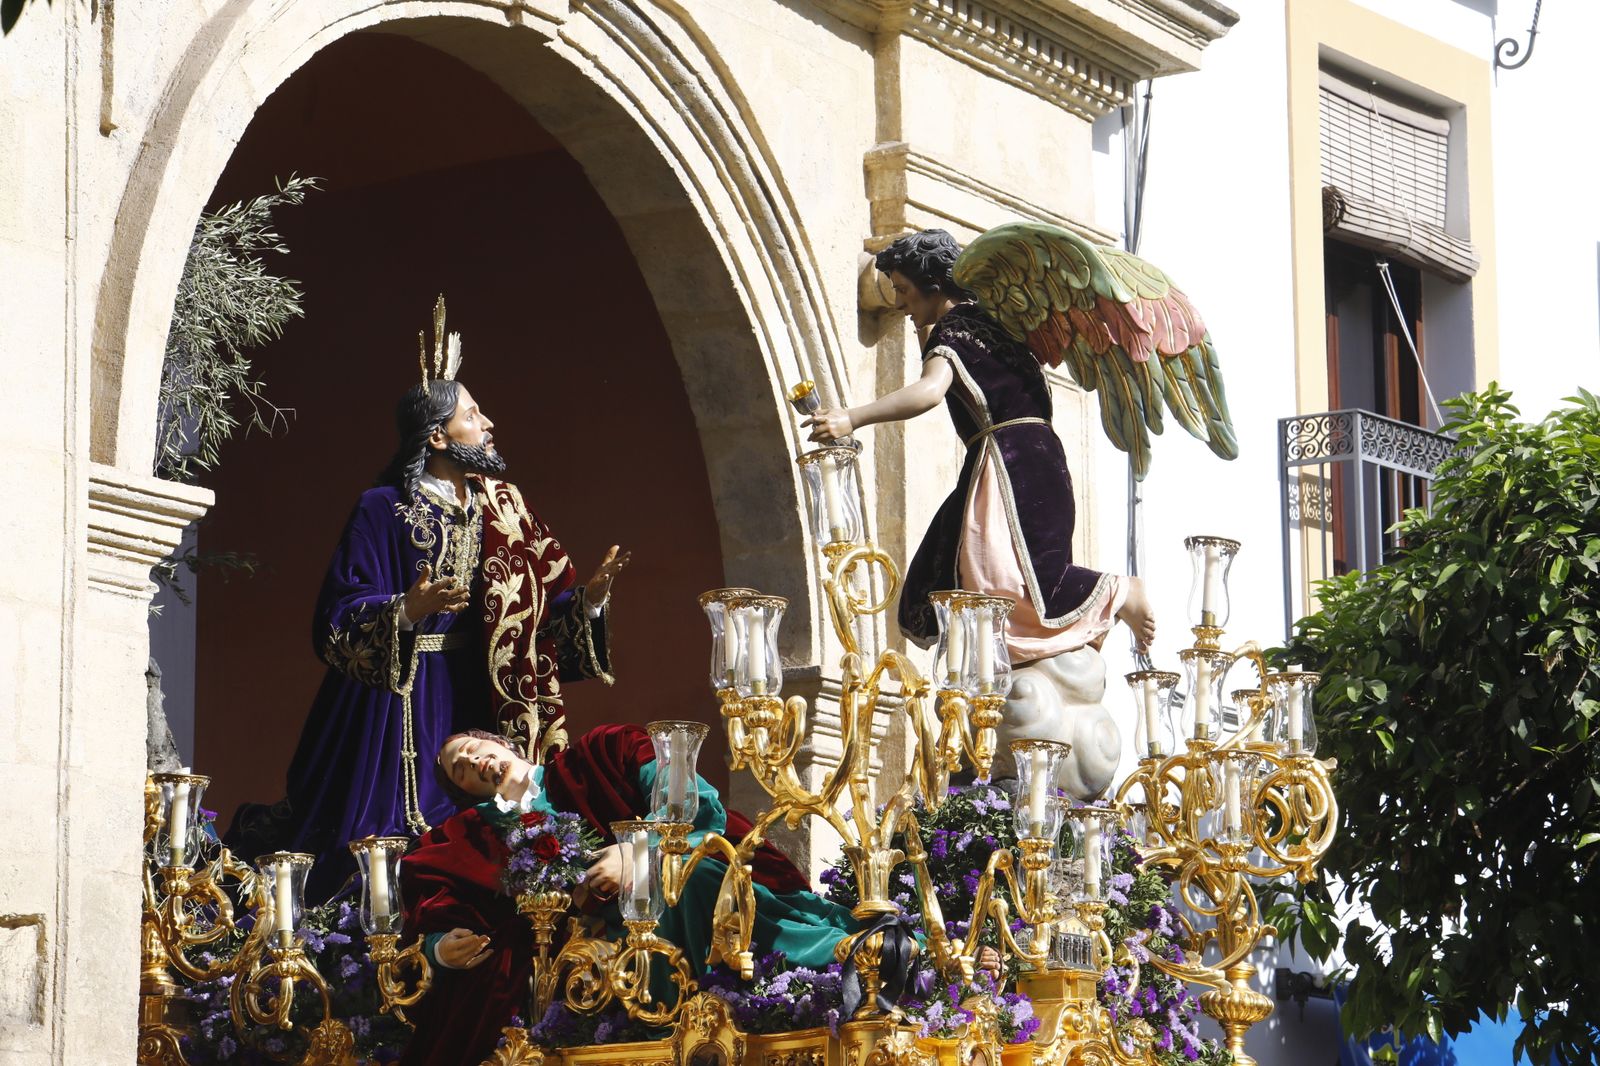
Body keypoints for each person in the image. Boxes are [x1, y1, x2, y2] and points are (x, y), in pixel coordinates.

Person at [238, 310, 632, 903]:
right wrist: (405, 609)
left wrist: (591, 602)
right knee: (377, 830)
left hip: (482, 690)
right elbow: (337, 614)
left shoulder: (505, 505)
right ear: (438, 436)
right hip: (394, 694)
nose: (490, 423)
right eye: (474, 415)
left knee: (488, 826)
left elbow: (544, 606)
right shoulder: (381, 506)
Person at [396, 725, 857, 1066]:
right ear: (465, 791)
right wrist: (439, 948)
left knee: (695, 881)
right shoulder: (470, 833)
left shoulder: (598, 753)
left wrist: (642, 852)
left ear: (505, 744)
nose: (473, 762)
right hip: (569, 959)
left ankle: (836, 964)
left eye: (474, 749)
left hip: (663, 903)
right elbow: (434, 897)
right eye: (460, 769)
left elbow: (690, 803)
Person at [805, 230, 1155, 664]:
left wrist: (850, 418)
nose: (899, 305)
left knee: (997, 579)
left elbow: (931, 390)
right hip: (1037, 458)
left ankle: (1121, 591)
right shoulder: (990, 324)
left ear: (934, 286)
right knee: (996, 581)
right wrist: (926, 329)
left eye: (904, 291)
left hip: (1010, 465)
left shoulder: (953, 332)